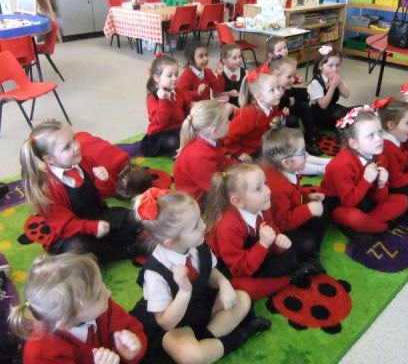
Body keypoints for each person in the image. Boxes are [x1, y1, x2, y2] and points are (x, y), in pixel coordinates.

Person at [130, 188, 270, 363]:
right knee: (191, 356)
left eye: (200, 218)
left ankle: (206, 338)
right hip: (176, 325)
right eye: (196, 226)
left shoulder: (197, 244)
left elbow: (209, 271)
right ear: (170, 242)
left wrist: (223, 283)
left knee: (243, 300)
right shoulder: (155, 273)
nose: (204, 226)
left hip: (202, 304)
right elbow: (165, 322)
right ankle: (242, 335)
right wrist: (184, 292)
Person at [20, 120, 144, 263]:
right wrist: (92, 228)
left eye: (74, 139)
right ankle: (127, 250)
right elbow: (66, 226)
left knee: (132, 217)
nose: (76, 146)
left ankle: (112, 247)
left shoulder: (86, 161)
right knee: (77, 248)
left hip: (98, 217)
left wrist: (104, 181)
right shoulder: (47, 189)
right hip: (73, 232)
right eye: (67, 147)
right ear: (49, 159)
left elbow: (107, 193)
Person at [204, 163, 319, 301]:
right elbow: (238, 269)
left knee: (292, 249)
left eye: (265, 183)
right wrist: (263, 245)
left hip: (253, 251)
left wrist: (278, 240)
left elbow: (273, 229)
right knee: (241, 288)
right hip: (230, 267)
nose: (268, 191)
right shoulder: (228, 226)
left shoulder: (261, 206)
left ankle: (287, 270)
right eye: (258, 188)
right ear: (238, 201)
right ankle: (289, 279)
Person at [9, 253, 147, 364]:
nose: (108, 292)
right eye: (97, 295)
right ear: (66, 323)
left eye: (102, 284)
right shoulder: (42, 353)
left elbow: (132, 327)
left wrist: (132, 351)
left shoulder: (104, 306)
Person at [321, 106, 408, 246]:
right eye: (371, 136)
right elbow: (348, 202)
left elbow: (379, 198)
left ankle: (365, 225)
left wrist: (381, 185)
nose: (379, 139)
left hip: (365, 198)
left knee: (403, 200)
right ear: (354, 143)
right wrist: (366, 181)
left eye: (379, 132)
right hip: (341, 202)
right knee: (352, 217)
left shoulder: (379, 155)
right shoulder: (342, 165)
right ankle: (378, 226)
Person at [261, 118, 331, 270]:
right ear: (286, 162)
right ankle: (309, 258)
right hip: (279, 228)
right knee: (307, 245)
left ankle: (309, 248)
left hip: (293, 209)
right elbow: (282, 223)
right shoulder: (277, 188)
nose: (307, 155)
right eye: (302, 153)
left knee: (324, 208)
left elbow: (295, 190)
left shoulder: (287, 171)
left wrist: (307, 195)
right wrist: (308, 209)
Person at [75, 131, 172, 200]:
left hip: (82, 136)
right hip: (76, 149)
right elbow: (102, 193)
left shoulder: (125, 156)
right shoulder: (107, 173)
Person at [174, 100, 236, 205]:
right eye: (227, 121)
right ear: (215, 130)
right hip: (197, 201)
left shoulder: (211, 139)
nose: (229, 123)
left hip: (209, 184)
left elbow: (221, 160)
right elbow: (216, 187)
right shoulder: (199, 157)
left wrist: (237, 166)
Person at [223, 67, 286, 161]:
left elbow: (271, 119)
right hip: (249, 152)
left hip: (262, 144)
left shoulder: (273, 104)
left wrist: (282, 114)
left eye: (278, 87)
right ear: (258, 97)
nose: (278, 92)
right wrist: (239, 154)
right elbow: (228, 136)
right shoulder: (249, 114)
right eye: (272, 90)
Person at [141, 54, 187, 158]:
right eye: (169, 76)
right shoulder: (153, 98)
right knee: (173, 141)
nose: (174, 79)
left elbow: (185, 110)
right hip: (160, 134)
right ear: (157, 78)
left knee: (195, 133)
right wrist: (163, 100)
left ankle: (181, 148)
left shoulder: (178, 92)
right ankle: (177, 151)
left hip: (177, 129)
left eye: (176, 75)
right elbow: (162, 122)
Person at [307, 45, 351, 130]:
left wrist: (339, 82)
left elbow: (346, 95)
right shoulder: (316, 83)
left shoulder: (336, 78)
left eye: (337, 65)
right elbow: (323, 105)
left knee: (354, 111)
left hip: (332, 109)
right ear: (320, 66)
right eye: (330, 65)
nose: (334, 69)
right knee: (341, 114)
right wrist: (332, 86)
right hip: (319, 115)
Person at [176, 41, 225, 107]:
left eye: (206, 55)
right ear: (191, 59)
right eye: (201, 56)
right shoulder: (187, 75)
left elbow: (218, 90)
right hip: (194, 110)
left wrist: (220, 75)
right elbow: (181, 94)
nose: (206, 58)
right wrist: (197, 93)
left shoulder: (208, 72)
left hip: (206, 106)